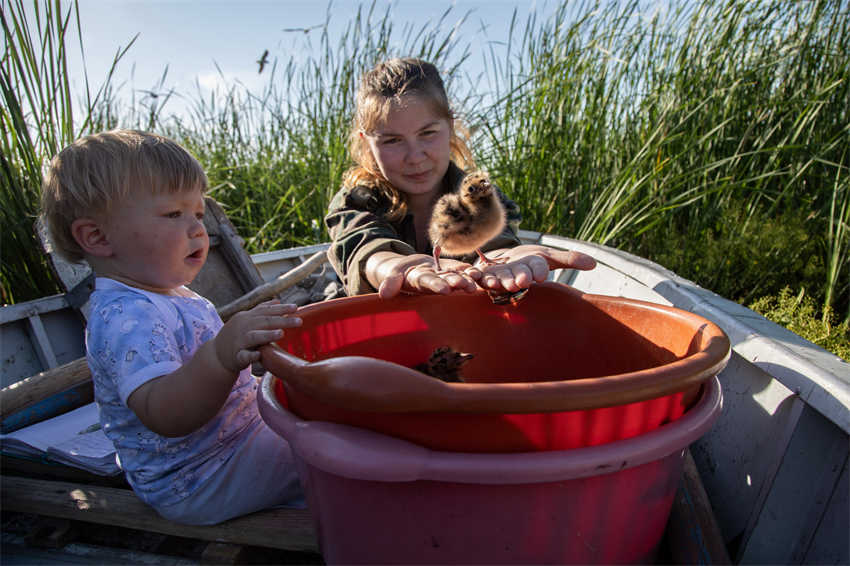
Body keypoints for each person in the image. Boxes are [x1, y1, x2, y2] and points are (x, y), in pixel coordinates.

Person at [40, 129, 303, 525]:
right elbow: (164, 413)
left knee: (319, 423)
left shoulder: (172, 296)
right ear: (97, 236)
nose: (199, 229)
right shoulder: (125, 317)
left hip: (233, 443)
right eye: (173, 214)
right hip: (197, 476)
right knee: (324, 451)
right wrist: (220, 354)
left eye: (198, 213)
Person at [325, 57, 596, 299]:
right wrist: (391, 267)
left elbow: (495, 244)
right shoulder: (356, 200)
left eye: (428, 133)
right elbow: (363, 247)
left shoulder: (479, 193)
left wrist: (502, 259)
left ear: (450, 126)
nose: (415, 156)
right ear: (366, 144)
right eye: (393, 140)